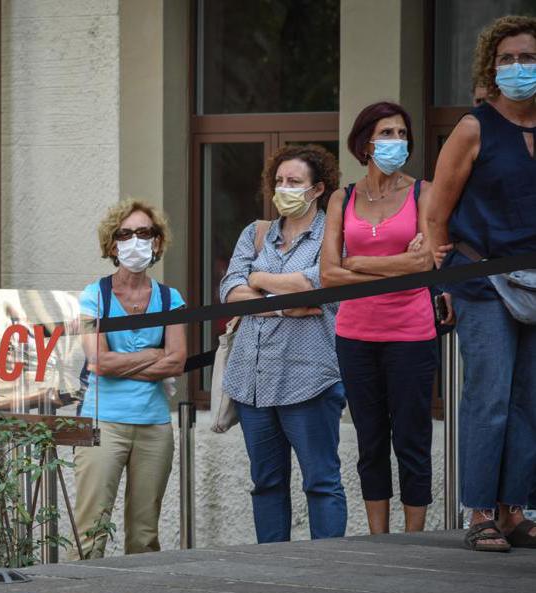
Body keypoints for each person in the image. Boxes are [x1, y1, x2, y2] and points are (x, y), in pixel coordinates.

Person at [424, 15, 536, 552]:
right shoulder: (474, 127)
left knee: (529, 399)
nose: (518, 67)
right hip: (482, 280)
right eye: (508, 58)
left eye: (528, 57)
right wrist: (444, 283)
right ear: (492, 67)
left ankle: (516, 508)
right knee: (488, 396)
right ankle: (480, 511)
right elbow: (435, 215)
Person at [321, 102, 439, 535]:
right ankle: (378, 539)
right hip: (355, 333)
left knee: (411, 438)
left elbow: (425, 263)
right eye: (386, 133)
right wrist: (394, 263)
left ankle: (414, 540)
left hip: (411, 331)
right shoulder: (343, 197)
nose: (396, 141)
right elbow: (328, 272)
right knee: (370, 441)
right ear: (365, 142)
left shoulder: (423, 192)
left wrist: (358, 263)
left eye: (401, 133)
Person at [220, 144, 346, 544]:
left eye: (294, 182)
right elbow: (229, 289)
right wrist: (281, 307)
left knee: (321, 482)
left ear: (318, 189)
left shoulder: (334, 234)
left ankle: (327, 569)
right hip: (252, 381)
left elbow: (315, 284)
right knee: (266, 483)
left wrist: (259, 280)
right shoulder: (255, 234)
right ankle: (273, 568)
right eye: (279, 181)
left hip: (309, 379)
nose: (284, 188)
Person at [75, 199, 186, 558]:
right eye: (125, 234)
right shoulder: (95, 296)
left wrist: (126, 361)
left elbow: (177, 361)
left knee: (144, 535)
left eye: (144, 233)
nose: (134, 241)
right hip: (102, 422)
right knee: (90, 531)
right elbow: (99, 362)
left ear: (157, 242)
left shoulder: (170, 298)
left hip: (154, 425)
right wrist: (154, 355)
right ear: (112, 244)